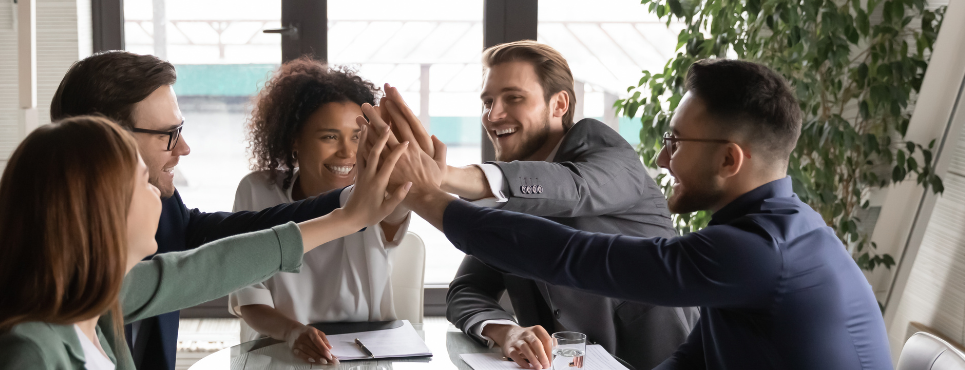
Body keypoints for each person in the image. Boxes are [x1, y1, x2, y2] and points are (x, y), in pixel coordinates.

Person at [388, 58, 893, 369]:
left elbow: (576, 256)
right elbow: (698, 356)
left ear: (728, 159)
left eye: (675, 142)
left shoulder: (754, 251)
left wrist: (432, 196)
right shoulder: (781, 228)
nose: (661, 158)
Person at [0, 51, 351, 370]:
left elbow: (218, 260)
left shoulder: (104, 284)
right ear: (101, 143)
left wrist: (350, 207)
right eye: (169, 134)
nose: (184, 148)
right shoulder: (23, 325)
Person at [372, 40, 695, 369]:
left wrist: (443, 176)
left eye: (513, 98)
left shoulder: (605, 151)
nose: (493, 115)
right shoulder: (506, 197)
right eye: (488, 101)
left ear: (559, 105)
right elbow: (465, 290)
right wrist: (507, 331)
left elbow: (573, 188)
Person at [230, 58, 411, 365]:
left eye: (357, 137)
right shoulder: (256, 190)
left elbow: (395, 215)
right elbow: (249, 298)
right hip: (280, 350)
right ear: (295, 140)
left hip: (366, 353)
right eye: (329, 136)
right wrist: (294, 333)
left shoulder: (379, 190)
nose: (346, 152)